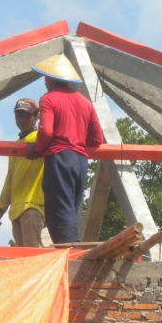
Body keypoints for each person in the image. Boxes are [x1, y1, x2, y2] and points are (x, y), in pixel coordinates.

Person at [25, 54, 104, 244]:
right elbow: (96, 139)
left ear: (53, 78)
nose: (44, 82)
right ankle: (74, 250)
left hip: (59, 158)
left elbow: (45, 131)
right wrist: (74, 136)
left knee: (58, 212)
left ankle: (70, 254)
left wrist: (36, 148)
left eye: (46, 77)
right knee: (70, 210)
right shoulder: (85, 102)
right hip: (80, 161)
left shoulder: (48, 99)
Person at [0, 98, 47, 247]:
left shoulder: (39, 139)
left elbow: (51, 129)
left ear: (35, 117)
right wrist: (0, 208)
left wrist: (39, 112)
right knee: (23, 256)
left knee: (33, 253)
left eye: (27, 115)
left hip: (32, 206)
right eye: (19, 115)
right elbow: (10, 179)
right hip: (16, 210)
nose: (22, 119)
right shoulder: (16, 146)